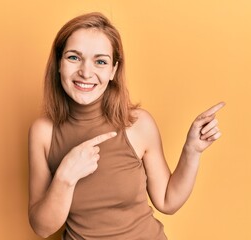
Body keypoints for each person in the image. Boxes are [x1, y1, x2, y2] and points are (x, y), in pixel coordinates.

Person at [28, 12, 225, 240]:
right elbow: (42, 228)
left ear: (113, 70)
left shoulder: (137, 124)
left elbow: (167, 200)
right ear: (59, 63)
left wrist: (192, 150)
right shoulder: (43, 131)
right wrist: (65, 176)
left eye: (100, 61)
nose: (86, 72)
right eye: (74, 57)